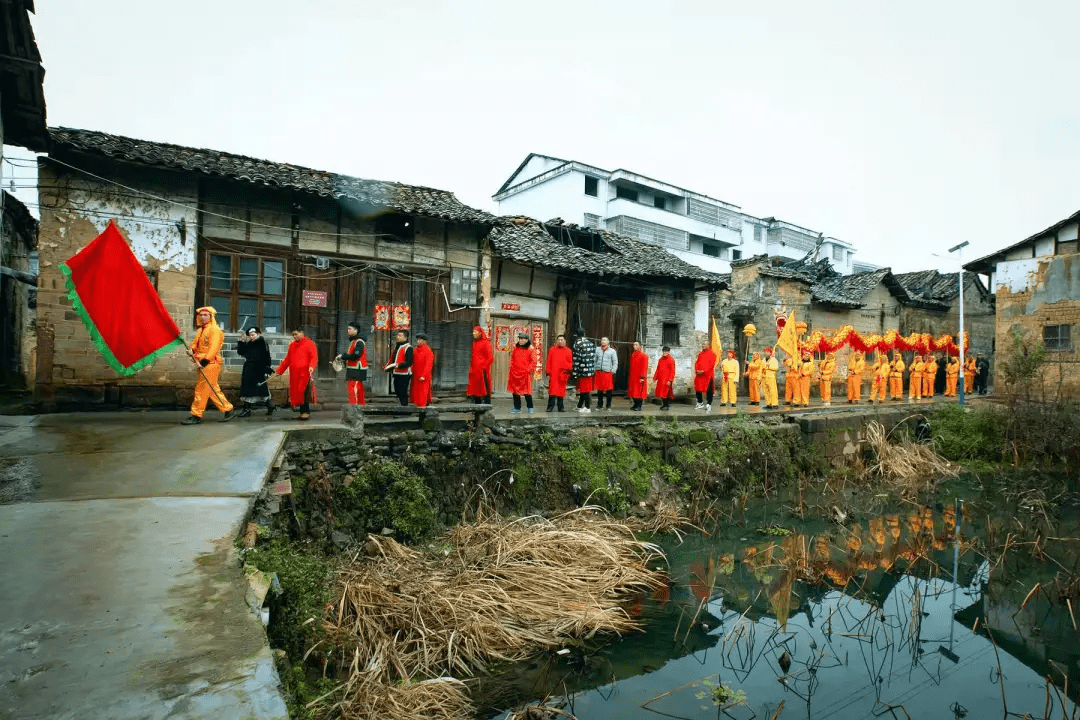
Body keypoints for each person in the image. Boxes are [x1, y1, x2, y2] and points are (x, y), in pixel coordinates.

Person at [182, 306, 235, 424]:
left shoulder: (215, 330)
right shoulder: (201, 330)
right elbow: (196, 344)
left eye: (206, 315)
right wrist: (191, 350)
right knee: (211, 388)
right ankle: (228, 408)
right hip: (201, 362)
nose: (202, 317)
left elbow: (213, 348)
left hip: (210, 363)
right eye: (201, 315)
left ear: (211, 317)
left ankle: (196, 414)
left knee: (201, 389)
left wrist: (204, 362)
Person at [276, 327, 318, 420]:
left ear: (301, 333)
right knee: (297, 392)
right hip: (295, 373)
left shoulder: (310, 343)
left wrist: (312, 367)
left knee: (303, 391)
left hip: (305, 372)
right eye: (293, 335)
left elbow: (313, 357)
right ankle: (302, 411)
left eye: (296, 334)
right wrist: (280, 370)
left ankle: (306, 411)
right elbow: (288, 359)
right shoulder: (292, 345)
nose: (294, 336)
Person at [235, 326, 274, 417]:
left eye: (253, 335)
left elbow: (267, 357)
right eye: (250, 335)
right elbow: (241, 352)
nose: (251, 337)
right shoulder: (249, 343)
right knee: (247, 388)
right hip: (248, 368)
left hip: (258, 368)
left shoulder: (262, 343)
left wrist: (267, 369)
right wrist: (242, 341)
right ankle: (247, 409)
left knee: (260, 388)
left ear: (258, 334)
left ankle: (269, 405)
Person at [336, 321, 367, 405]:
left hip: (357, 368)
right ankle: (359, 407)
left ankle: (355, 408)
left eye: (350, 329)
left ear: (356, 330)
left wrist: (343, 356)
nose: (348, 331)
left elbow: (355, 356)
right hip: (353, 368)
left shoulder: (359, 342)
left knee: (354, 389)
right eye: (348, 329)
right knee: (357, 389)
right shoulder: (353, 341)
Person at [507, 332, 536, 414]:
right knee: (515, 391)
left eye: (522, 339)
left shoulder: (531, 349)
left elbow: (533, 362)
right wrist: (512, 367)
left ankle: (530, 407)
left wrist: (528, 370)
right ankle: (517, 407)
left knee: (526, 391)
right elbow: (512, 358)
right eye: (519, 338)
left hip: (525, 373)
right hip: (515, 372)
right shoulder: (515, 348)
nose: (520, 340)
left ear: (527, 340)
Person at [545, 334, 573, 412]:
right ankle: (550, 406)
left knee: (561, 391)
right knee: (552, 391)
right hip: (553, 374)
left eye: (562, 340)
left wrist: (566, 371)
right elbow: (549, 362)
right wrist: (548, 373)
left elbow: (570, 363)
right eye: (559, 340)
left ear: (564, 341)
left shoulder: (568, 351)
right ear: (556, 341)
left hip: (562, 374)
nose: (560, 341)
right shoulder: (552, 350)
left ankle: (561, 407)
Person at [384, 330, 413, 406]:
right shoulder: (398, 347)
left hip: (405, 373)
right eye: (397, 335)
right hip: (396, 372)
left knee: (402, 391)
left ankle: (404, 408)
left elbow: (409, 362)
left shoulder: (408, 347)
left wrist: (398, 365)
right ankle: (401, 407)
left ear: (406, 337)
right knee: (397, 391)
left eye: (400, 335)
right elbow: (393, 359)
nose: (398, 337)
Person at [467, 325, 493, 404]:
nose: (473, 333)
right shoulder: (474, 343)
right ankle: (477, 405)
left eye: (475, 332)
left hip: (482, 370)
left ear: (480, 333)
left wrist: (484, 367)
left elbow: (490, 357)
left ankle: (487, 404)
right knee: (475, 388)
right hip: (475, 369)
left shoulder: (486, 343)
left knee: (485, 387)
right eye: (473, 332)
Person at [572, 331, 597, 413]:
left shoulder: (578, 344)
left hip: (582, 370)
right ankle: (579, 405)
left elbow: (576, 359)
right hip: (590, 369)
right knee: (585, 389)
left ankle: (587, 406)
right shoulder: (591, 344)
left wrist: (575, 372)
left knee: (585, 389)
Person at [594, 336, 619, 410]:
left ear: (608, 342)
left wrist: (613, 371)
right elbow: (595, 360)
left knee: (608, 390)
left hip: (607, 372)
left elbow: (615, 362)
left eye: (604, 340)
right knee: (599, 390)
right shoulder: (597, 349)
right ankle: (599, 405)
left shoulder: (612, 351)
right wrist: (595, 368)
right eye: (602, 340)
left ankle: (608, 405)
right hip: (599, 372)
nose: (603, 341)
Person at [410, 334, 434, 407]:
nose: (418, 341)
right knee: (416, 390)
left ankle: (422, 405)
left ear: (425, 341)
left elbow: (428, 365)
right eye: (417, 340)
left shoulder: (428, 351)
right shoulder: (415, 350)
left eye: (420, 340)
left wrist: (424, 375)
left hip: (423, 374)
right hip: (416, 373)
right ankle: (417, 404)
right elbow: (412, 362)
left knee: (423, 391)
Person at [694, 340, 717, 412]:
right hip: (699, 374)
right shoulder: (700, 354)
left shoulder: (712, 354)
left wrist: (704, 371)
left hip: (707, 374)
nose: (703, 345)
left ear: (708, 345)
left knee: (709, 389)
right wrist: (697, 370)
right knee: (697, 388)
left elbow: (711, 365)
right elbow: (697, 363)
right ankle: (700, 402)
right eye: (702, 344)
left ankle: (709, 403)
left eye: (704, 344)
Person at [627, 341, 649, 411]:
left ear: (640, 346)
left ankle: (639, 406)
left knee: (639, 392)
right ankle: (635, 404)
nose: (634, 346)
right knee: (633, 391)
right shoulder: (633, 354)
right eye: (634, 345)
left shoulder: (643, 355)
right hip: (633, 376)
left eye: (636, 345)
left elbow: (644, 367)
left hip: (639, 377)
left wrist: (642, 377)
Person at [653, 345, 675, 411]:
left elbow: (672, 371)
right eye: (664, 351)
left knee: (665, 393)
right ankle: (665, 405)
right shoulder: (660, 360)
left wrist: (670, 380)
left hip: (666, 379)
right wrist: (655, 377)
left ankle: (666, 405)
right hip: (661, 379)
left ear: (668, 352)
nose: (665, 352)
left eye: (666, 351)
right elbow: (658, 369)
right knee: (661, 392)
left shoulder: (671, 360)